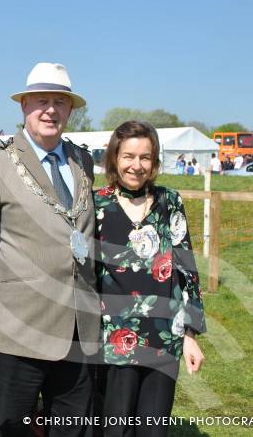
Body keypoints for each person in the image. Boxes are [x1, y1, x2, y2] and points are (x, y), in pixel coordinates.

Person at [0, 62, 99, 437]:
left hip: (79, 328)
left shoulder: (82, 162)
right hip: (19, 326)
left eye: (60, 102)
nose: (51, 110)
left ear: (70, 110)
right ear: (24, 106)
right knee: (11, 429)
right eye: (42, 101)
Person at [94, 121, 206, 437]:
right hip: (113, 340)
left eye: (145, 157)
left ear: (154, 161)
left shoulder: (170, 201)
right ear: (114, 157)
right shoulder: (96, 203)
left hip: (164, 337)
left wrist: (190, 336)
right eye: (128, 156)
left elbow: (187, 268)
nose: (136, 165)